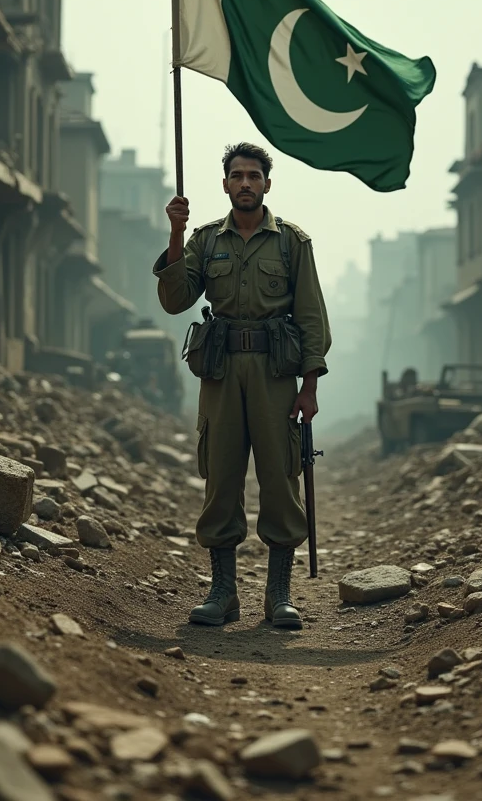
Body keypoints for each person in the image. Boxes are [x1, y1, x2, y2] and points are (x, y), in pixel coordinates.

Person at [153, 142, 331, 630]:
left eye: (255, 175)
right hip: (221, 372)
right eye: (238, 175)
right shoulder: (206, 240)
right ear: (226, 184)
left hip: (276, 375)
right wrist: (175, 230)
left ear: (267, 185)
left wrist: (309, 387)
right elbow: (175, 299)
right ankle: (223, 592)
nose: (246, 183)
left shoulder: (292, 242)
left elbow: (312, 316)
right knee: (221, 477)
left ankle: (278, 595)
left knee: (280, 478)